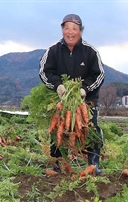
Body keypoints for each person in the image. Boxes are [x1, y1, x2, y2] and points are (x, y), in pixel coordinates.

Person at [39, 14, 106, 174]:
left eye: (74, 29)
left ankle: (93, 165)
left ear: (80, 32)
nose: (70, 32)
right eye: (67, 28)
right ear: (62, 30)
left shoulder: (90, 52)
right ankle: (58, 164)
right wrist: (58, 86)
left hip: (86, 101)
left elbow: (99, 75)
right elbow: (44, 72)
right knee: (57, 130)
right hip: (60, 100)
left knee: (91, 130)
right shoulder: (53, 50)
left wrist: (85, 89)